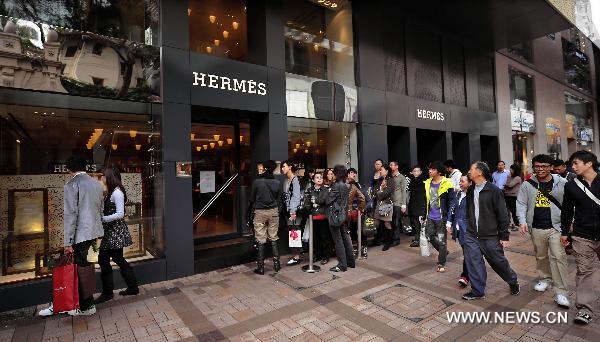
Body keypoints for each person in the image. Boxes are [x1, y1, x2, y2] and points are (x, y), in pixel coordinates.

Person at [39, 155, 104, 317]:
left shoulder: (72, 184)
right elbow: (100, 209)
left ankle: (80, 305)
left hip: (80, 234)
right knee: (84, 267)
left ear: (69, 169)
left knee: (78, 268)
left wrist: (67, 241)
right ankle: (82, 304)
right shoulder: (96, 184)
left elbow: (70, 214)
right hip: (93, 233)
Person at [462, 162, 520, 300]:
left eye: (471, 169)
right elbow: (470, 210)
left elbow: (502, 214)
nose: (469, 172)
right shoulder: (470, 190)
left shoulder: (494, 191)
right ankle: (477, 291)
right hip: (471, 234)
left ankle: (513, 281)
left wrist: (504, 236)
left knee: (498, 262)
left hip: (490, 236)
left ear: (480, 172)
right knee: (474, 262)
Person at [516, 154, 569, 307]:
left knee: (558, 257)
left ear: (551, 167)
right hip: (537, 226)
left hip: (556, 226)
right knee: (541, 255)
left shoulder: (562, 182)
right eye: (537, 166)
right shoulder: (528, 184)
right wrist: (522, 221)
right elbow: (521, 203)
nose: (540, 169)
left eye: (544, 166)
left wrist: (569, 221)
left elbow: (569, 203)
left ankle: (561, 292)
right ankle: (545, 279)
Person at [560, 151, 600, 324]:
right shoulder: (571, 186)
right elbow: (567, 211)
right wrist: (564, 232)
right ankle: (584, 309)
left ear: (589, 163)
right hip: (582, 235)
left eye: (576, 163)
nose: (573, 167)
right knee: (584, 272)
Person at [94, 168, 139, 305]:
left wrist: (103, 219)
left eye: (103, 176)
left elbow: (120, 213)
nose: (102, 178)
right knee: (118, 259)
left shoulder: (117, 192)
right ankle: (132, 287)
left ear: (110, 177)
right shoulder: (112, 191)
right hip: (112, 231)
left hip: (115, 232)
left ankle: (108, 293)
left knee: (104, 259)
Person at [317, 165, 355, 272]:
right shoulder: (344, 185)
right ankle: (350, 261)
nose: (332, 175)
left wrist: (326, 190)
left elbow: (328, 201)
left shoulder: (336, 186)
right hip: (343, 215)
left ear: (337, 174)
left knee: (338, 241)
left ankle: (342, 265)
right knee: (345, 238)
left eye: (333, 173)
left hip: (335, 215)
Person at [248, 160, 282, 275]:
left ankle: (261, 267)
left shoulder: (257, 182)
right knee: (273, 236)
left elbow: (252, 199)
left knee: (260, 238)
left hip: (260, 212)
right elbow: (277, 197)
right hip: (273, 211)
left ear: (265, 168)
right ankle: (277, 265)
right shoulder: (277, 182)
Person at [422, 161, 454, 272]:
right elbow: (426, 201)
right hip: (430, 216)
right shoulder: (427, 183)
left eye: (433, 169)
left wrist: (450, 219)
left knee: (442, 240)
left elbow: (451, 203)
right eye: (429, 169)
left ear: (439, 172)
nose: (430, 171)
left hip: (441, 218)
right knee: (429, 235)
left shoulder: (447, 183)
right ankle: (443, 251)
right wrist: (423, 215)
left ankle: (441, 263)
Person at [447, 175, 471, 288]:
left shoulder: (473, 196)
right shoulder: (458, 194)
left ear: (470, 183)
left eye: (462, 181)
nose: (460, 183)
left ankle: (465, 276)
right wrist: (449, 222)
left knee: (467, 253)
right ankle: (469, 274)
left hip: (469, 230)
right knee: (467, 253)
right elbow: (452, 208)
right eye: (460, 181)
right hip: (459, 229)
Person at [304, 172, 332, 265]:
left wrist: (315, 201)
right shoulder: (309, 190)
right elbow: (307, 203)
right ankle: (318, 255)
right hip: (313, 217)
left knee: (325, 237)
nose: (319, 179)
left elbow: (325, 200)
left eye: (320, 177)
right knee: (315, 238)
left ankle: (326, 256)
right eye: (317, 177)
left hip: (323, 216)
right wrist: (313, 204)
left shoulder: (325, 189)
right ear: (313, 180)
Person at [281, 160, 303, 266]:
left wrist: (293, 211)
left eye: (284, 166)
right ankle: (296, 255)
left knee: (294, 231)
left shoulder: (295, 180)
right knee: (292, 231)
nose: (282, 169)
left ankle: (296, 257)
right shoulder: (286, 180)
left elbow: (296, 196)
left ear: (290, 167)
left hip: (294, 211)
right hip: (288, 211)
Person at [372, 165, 396, 251]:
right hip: (379, 203)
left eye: (382, 170)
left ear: (386, 171)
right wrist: (379, 192)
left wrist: (379, 193)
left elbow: (386, 193)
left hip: (387, 204)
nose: (380, 172)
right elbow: (373, 190)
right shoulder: (380, 179)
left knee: (387, 223)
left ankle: (388, 242)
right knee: (376, 222)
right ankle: (377, 240)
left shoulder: (391, 180)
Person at [346, 170, 366, 256]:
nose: (353, 175)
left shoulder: (356, 184)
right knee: (354, 230)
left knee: (357, 230)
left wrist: (360, 209)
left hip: (353, 211)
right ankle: (358, 248)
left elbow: (363, 197)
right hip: (352, 211)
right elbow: (362, 198)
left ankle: (361, 248)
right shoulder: (352, 186)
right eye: (351, 173)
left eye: (355, 173)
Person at [389, 161, 407, 247]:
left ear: (397, 166)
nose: (391, 166)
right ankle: (391, 238)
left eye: (392, 165)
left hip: (398, 202)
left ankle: (396, 239)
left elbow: (404, 191)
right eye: (390, 165)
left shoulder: (401, 177)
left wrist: (403, 204)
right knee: (390, 221)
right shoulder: (389, 176)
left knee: (396, 221)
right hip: (389, 202)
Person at [408, 165, 426, 248]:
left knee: (418, 223)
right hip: (413, 204)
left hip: (419, 205)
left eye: (417, 171)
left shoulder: (422, 181)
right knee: (415, 223)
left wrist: (422, 208)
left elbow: (421, 195)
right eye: (414, 171)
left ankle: (418, 240)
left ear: (420, 172)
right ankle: (417, 238)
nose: (416, 173)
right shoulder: (413, 180)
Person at [504, 164, 523, 231]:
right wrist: (508, 181)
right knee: (508, 211)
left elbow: (509, 185)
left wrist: (507, 186)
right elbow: (506, 184)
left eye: (511, 169)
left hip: (514, 197)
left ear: (515, 170)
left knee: (514, 211)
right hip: (507, 196)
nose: (510, 170)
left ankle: (517, 225)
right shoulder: (510, 176)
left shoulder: (518, 178)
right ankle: (512, 224)